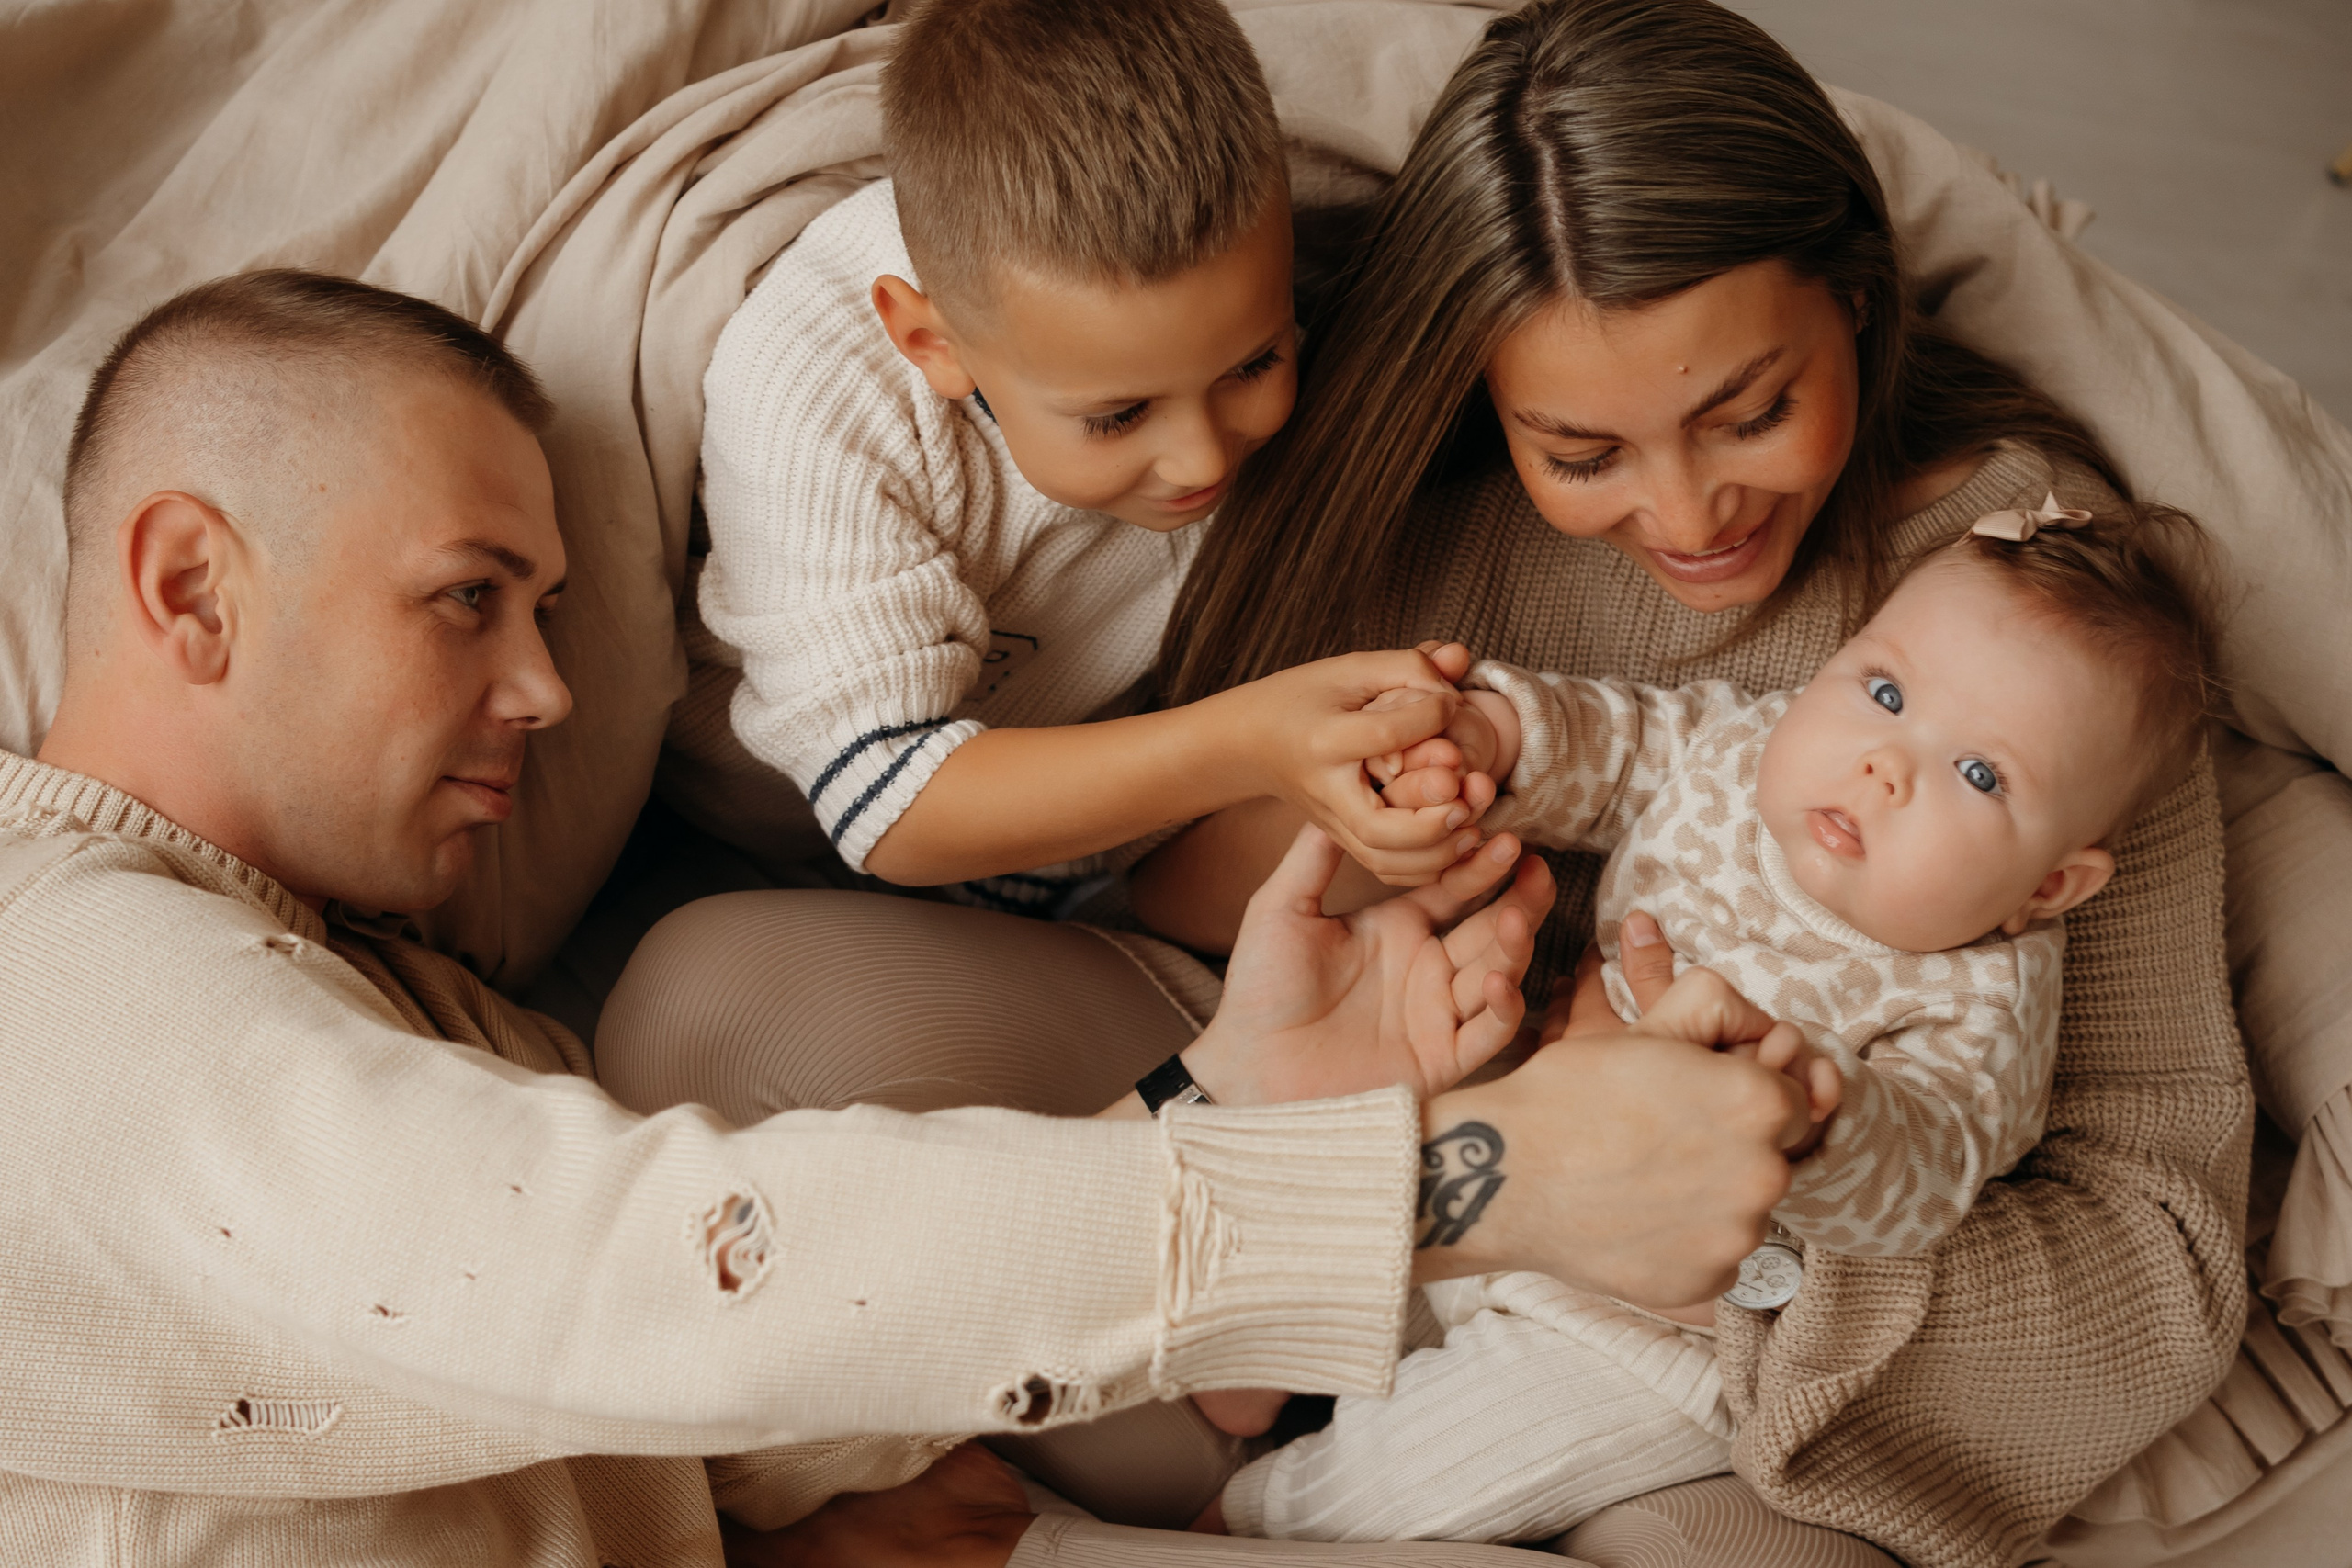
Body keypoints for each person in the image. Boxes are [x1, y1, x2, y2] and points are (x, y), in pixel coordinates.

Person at [639, 2, 2248, 1562]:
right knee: (710, 1008)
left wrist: (1728, 1190)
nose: (1687, 512)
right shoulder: (1352, 443)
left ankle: (1058, 1532)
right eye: (1582, 451)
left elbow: (2148, 1233)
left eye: (1750, 410)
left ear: (1857, 301)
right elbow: (1178, 882)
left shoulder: (2043, 629)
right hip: (1330, 1120)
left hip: (1677, 1318)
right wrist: (1384, 892)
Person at [0, 266, 1814, 1568]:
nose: (548, 688)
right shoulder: (62, 981)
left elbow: (703, 1367)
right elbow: (650, 1273)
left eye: (545, 609)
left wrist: (1226, 1099)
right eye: (468, 599)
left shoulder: (396, 1016)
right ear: (191, 583)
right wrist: (1454, 1176)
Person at [1205, 498, 2223, 1543]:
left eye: (1977, 773)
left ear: (2048, 886)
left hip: (1647, 1327)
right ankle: (1254, 1362)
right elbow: (1613, 741)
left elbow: (1929, 1166)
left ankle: (1232, 1528)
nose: (1885, 765)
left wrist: (1816, 1117)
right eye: (1882, 691)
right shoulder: (1743, 750)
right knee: (1360, 1214)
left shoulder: (1977, 994)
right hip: (1515, 1119)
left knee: (1403, 1477)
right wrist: (1496, 735)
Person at [693, 0, 1490, 922]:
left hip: (1094, 805)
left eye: (1255, 362)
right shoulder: (814, 385)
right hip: (778, 822)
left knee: (1440, 804)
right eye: (1117, 416)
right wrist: (1250, 739)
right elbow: (890, 802)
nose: (1199, 458)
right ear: (930, 343)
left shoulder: (1250, 246)